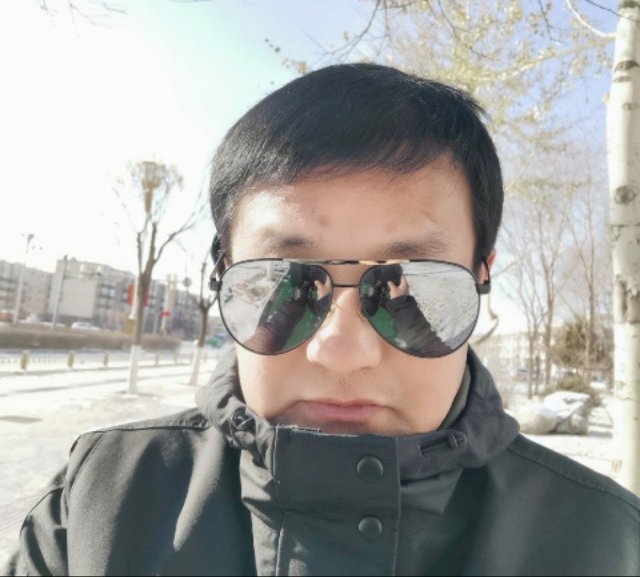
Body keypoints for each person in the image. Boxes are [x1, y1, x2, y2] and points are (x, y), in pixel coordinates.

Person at [5, 63, 640, 576]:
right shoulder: (98, 505)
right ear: (222, 274)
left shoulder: (607, 541)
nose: (341, 351)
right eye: (284, 280)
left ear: (482, 275)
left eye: (411, 284)